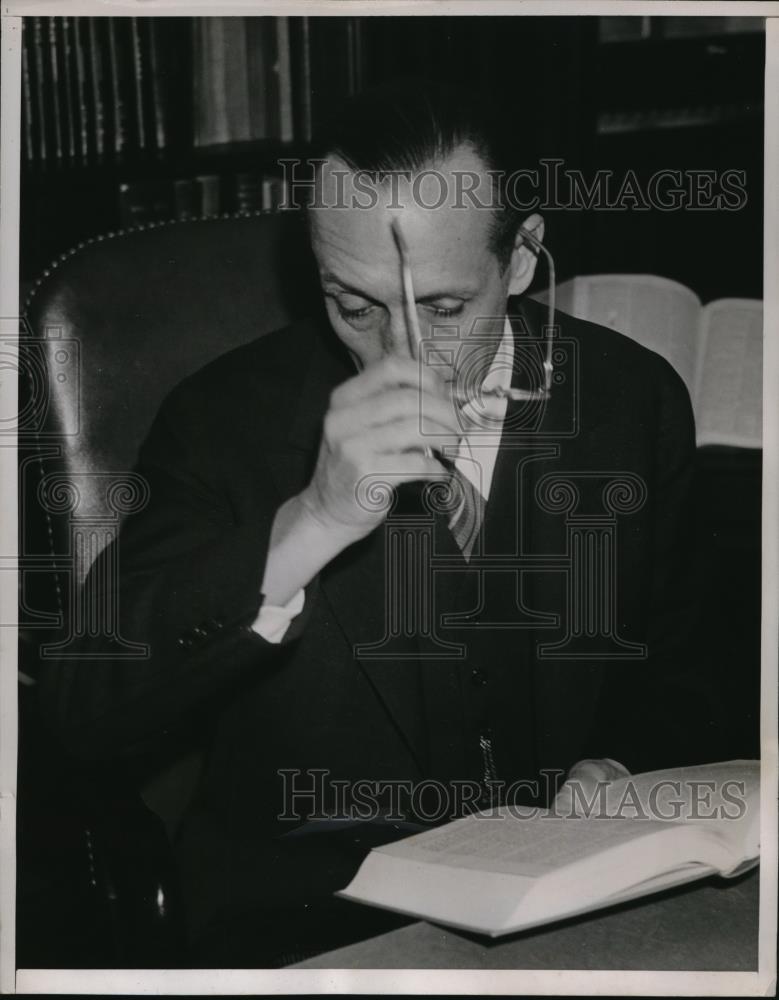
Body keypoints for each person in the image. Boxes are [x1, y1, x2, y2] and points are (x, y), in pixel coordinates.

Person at [40, 80, 711, 965]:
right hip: (313, 922)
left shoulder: (632, 398)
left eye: (441, 309)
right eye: (354, 307)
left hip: (581, 900)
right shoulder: (222, 420)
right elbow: (81, 719)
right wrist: (310, 521)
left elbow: (686, 669)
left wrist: (622, 767)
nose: (399, 359)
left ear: (520, 259)